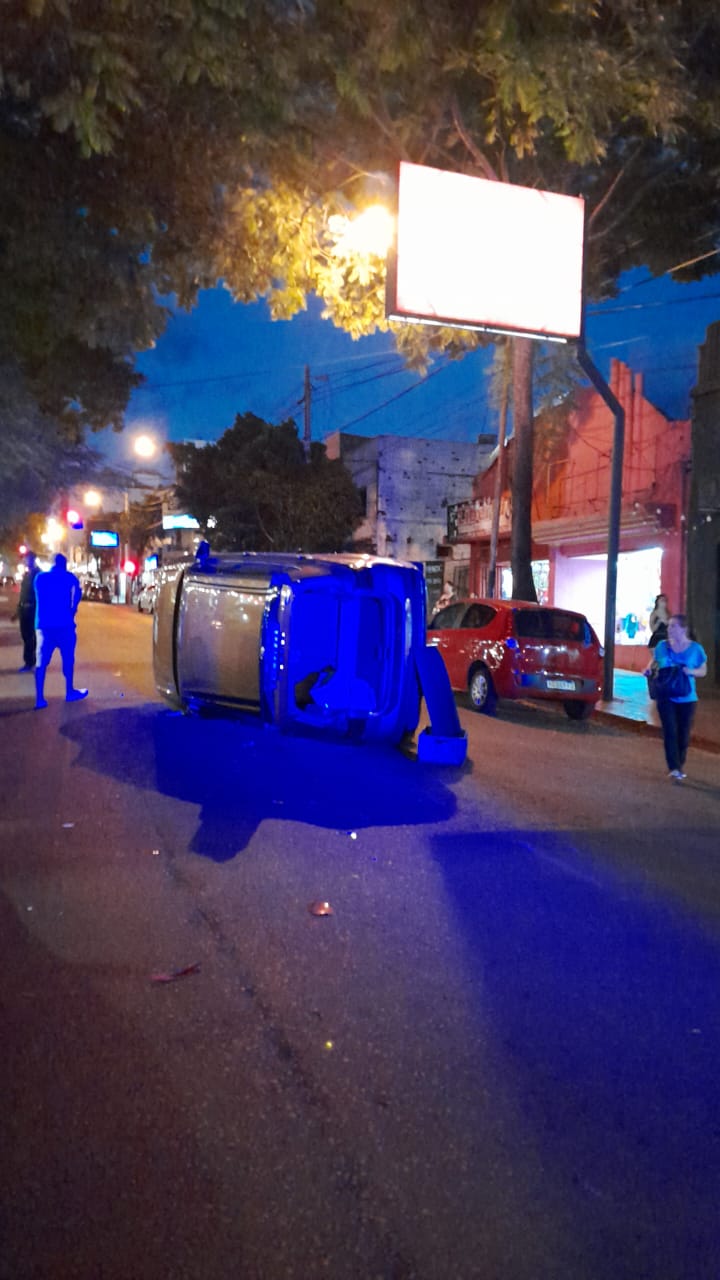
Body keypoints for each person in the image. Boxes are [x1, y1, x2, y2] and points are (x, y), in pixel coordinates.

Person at [643, 614, 707, 780]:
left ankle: (679, 762)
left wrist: (690, 671)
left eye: (673, 626)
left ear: (683, 629)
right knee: (670, 730)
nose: (670, 629)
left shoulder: (695, 649)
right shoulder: (661, 646)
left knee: (683, 733)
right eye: (669, 626)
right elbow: (654, 662)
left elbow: (703, 670)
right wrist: (648, 670)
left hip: (687, 698)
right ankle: (674, 767)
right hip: (666, 696)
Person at [34, 553, 88, 709]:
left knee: (41, 663)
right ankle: (69, 691)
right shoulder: (69, 577)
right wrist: (72, 610)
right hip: (64, 624)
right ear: (64, 564)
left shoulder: (40, 578)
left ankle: (39, 698)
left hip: (44, 625)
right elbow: (77, 594)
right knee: (68, 660)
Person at [16, 550, 41, 671]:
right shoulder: (27, 575)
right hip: (24, 610)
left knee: (32, 637)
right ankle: (29, 661)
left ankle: (31, 662)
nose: (27, 561)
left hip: (33, 609)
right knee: (25, 636)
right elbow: (22, 594)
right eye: (26, 559)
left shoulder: (38, 574)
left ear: (33, 560)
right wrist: (17, 610)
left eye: (29, 559)